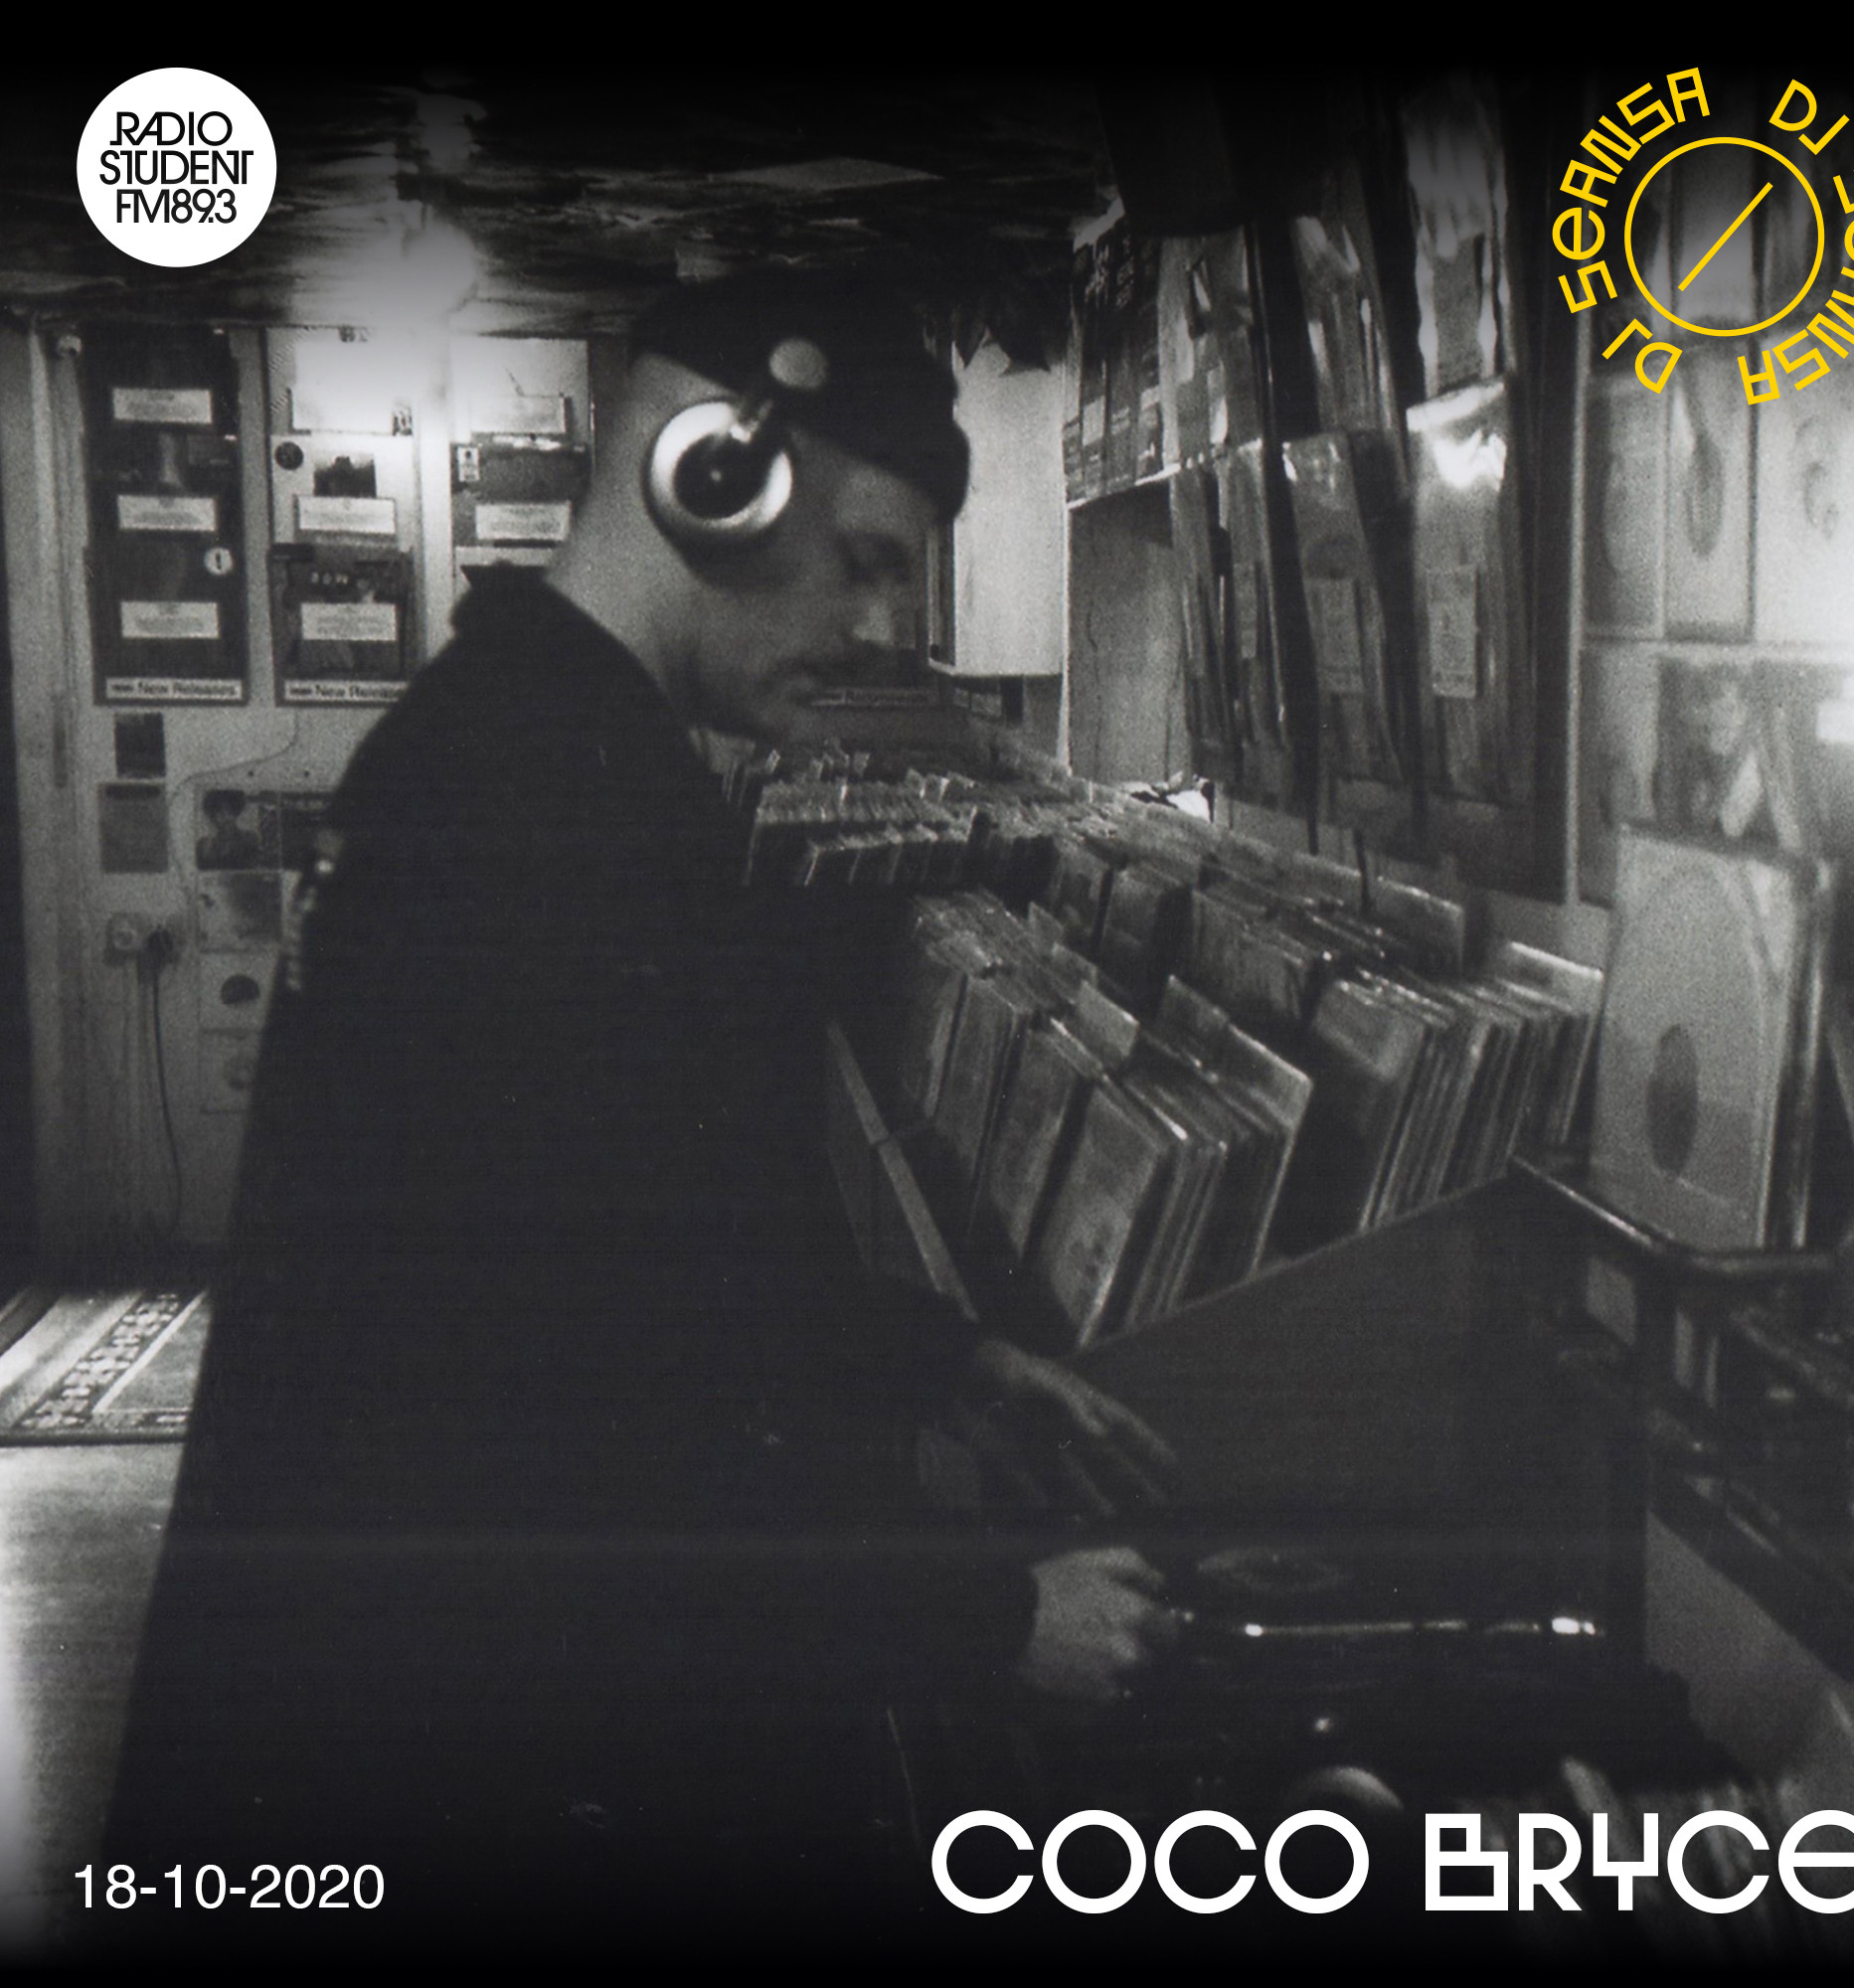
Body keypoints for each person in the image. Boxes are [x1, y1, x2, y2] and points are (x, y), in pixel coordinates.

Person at [105, 271, 1179, 1954]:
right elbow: (587, 1424)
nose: (888, 626)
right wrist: (979, 1620)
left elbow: (645, 1268)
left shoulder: (528, 748)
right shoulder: (558, 817)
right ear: (711, 479)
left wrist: (939, 1359)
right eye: (866, 557)